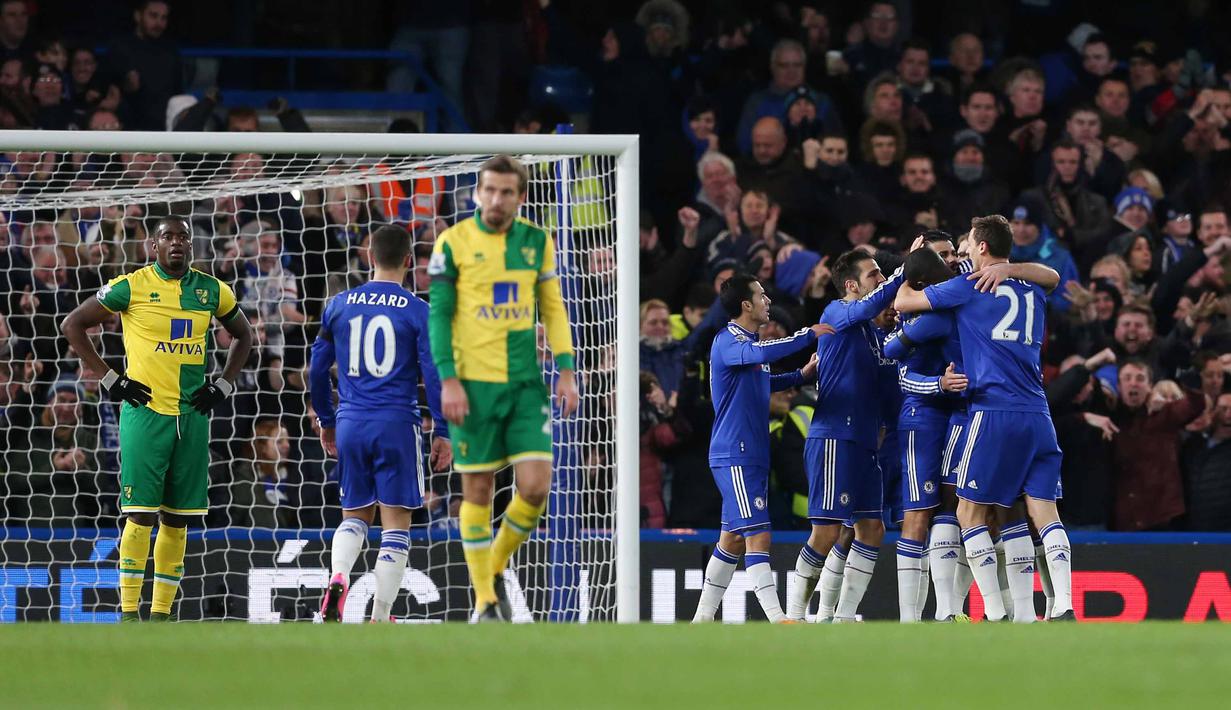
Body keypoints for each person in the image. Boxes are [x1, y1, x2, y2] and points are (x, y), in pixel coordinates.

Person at [60, 216, 255, 621]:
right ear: (154, 246)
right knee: (140, 514)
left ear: (192, 245)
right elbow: (72, 324)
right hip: (145, 414)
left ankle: (161, 615)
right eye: (168, 237)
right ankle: (130, 613)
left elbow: (245, 335)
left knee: (178, 520)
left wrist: (224, 384)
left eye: (183, 236)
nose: (177, 243)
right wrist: (112, 379)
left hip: (192, 417)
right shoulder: (131, 286)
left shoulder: (211, 291)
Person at [895, 215, 1073, 622]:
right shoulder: (1031, 287)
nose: (965, 252)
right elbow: (1053, 276)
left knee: (967, 512)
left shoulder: (969, 286)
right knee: (1043, 509)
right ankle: (1063, 604)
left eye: (969, 245)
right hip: (1038, 410)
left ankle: (994, 612)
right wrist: (1011, 268)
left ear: (982, 246)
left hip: (992, 410)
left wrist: (911, 263)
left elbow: (903, 303)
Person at [428, 155, 579, 621]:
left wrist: (567, 369)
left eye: (506, 192)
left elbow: (552, 309)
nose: (496, 199)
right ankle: (486, 601)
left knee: (535, 488)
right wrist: (447, 380)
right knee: (476, 490)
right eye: (489, 190)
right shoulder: (452, 243)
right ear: (477, 192)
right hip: (471, 387)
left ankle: (491, 568)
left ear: (521, 197)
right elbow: (438, 315)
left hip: (525, 385)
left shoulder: (538, 242)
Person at [309, 224, 452, 623]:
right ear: (410, 261)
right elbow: (434, 372)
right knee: (396, 522)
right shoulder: (420, 312)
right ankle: (381, 614)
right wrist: (441, 430)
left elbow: (317, 369)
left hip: (351, 420)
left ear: (369, 257)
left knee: (354, 515)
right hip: (397, 423)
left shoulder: (338, 305)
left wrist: (326, 419)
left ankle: (339, 575)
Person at [783, 243, 913, 623]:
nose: (882, 280)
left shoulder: (874, 338)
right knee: (825, 533)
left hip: (865, 445)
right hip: (835, 438)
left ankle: (841, 619)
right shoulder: (837, 312)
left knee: (871, 529)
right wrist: (903, 272)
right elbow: (868, 308)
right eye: (875, 274)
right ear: (852, 285)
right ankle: (793, 615)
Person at [692, 273, 828, 623]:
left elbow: (761, 381)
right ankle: (776, 617)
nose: (768, 301)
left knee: (734, 538)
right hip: (734, 452)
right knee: (758, 533)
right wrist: (806, 335)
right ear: (746, 305)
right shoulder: (729, 341)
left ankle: (701, 620)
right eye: (762, 295)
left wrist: (800, 375)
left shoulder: (747, 346)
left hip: (749, 452)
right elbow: (760, 352)